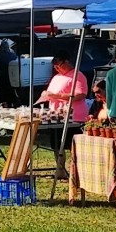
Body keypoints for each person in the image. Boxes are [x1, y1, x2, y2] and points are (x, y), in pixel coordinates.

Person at [41, 50, 88, 179]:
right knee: (57, 145)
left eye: (59, 66)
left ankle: (77, 172)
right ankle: (60, 170)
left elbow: (80, 94)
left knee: (73, 146)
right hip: (57, 117)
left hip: (74, 117)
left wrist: (58, 96)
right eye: (55, 67)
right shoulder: (56, 77)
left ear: (66, 62)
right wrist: (46, 95)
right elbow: (51, 92)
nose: (57, 69)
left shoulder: (78, 75)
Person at [0, 39, 17, 106]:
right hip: (11, 77)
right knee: (10, 94)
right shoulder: (13, 55)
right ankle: (10, 104)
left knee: (0, 95)